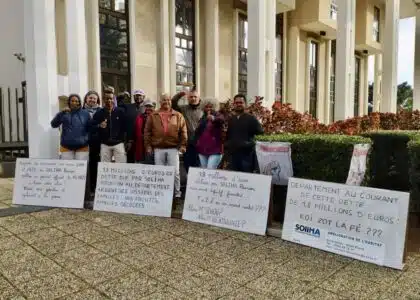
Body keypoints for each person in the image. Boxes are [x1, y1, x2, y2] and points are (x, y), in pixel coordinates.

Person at [144, 93, 187, 202]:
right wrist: (148, 146)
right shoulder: (153, 115)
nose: (166, 102)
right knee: (160, 172)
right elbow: (147, 132)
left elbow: (183, 131)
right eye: (164, 100)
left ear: (171, 101)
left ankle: (177, 194)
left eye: (168, 100)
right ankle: (162, 194)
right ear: (160, 102)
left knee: (175, 172)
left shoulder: (178, 115)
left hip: (173, 148)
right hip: (158, 148)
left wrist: (183, 145)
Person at [225, 94, 264, 173]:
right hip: (233, 155)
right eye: (237, 103)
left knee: (245, 179)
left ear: (245, 104)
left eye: (241, 102)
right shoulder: (231, 119)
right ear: (234, 104)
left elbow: (261, 132)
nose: (239, 104)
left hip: (246, 155)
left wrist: (248, 143)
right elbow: (228, 135)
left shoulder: (251, 118)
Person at [51, 94, 90, 160]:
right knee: (67, 169)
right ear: (69, 102)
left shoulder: (85, 113)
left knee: (82, 169)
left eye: (76, 101)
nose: (74, 103)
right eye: (72, 101)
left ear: (79, 102)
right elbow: (54, 124)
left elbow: (90, 127)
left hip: (82, 147)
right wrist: (61, 113)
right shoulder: (64, 113)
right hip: (66, 147)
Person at [92, 88, 127, 163]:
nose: (109, 101)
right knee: (104, 168)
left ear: (114, 99)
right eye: (107, 99)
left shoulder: (120, 111)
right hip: (105, 144)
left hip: (118, 144)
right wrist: (99, 125)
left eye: (111, 98)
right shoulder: (99, 113)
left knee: (121, 167)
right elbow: (92, 127)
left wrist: (124, 140)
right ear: (103, 99)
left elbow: (125, 127)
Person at [171, 89, 202, 172]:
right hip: (187, 142)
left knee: (199, 165)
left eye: (195, 97)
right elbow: (173, 103)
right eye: (191, 97)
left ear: (199, 98)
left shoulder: (203, 109)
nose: (193, 98)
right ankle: (189, 183)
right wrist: (181, 94)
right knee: (188, 164)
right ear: (188, 98)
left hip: (200, 142)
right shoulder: (183, 109)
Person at [193, 98, 225, 169]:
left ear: (214, 107)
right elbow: (198, 132)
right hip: (202, 149)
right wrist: (196, 143)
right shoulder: (202, 118)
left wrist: (213, 118)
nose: (208, 108)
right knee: (204, 172)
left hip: (215, 150)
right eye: (206, 107)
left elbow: (221, 120)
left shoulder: (219, 115)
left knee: (210, 170)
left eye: (210, 107)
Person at [83, 91, 102, 195]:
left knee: (95, 164)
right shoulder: (81, 111)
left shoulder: (101, 110)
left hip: (97, 142)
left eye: (94, 98)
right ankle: (85, 188)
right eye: (90, 98)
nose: (92, 100)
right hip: (83, 141)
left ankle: (94, 187)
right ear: (86, 99)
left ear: (97, 100)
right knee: (85, 165)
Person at [125, 89, 147, 163]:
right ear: (134, 97)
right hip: (130, 138)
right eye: (136, 95)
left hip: (142, 138)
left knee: (142, 159)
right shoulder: (128, 107)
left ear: (144, 97)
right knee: (130, 158)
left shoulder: (147, 108)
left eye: (140, 95)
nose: (138, 97)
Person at [133, 99, 156, 163]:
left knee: (151, 165)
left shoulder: (156, 117)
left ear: (153, 107)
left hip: (152, 145)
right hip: (140, 145)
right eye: (146, 106)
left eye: (150, 106)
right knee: (140, 164)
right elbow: (135, 132)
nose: (148, 108)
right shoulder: (139, 117)